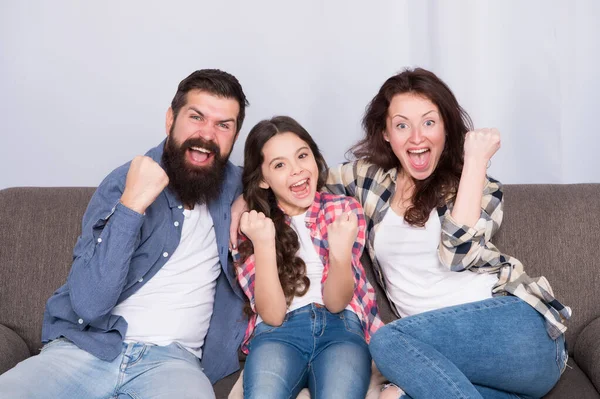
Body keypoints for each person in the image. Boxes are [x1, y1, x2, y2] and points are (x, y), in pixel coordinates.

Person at [0, 69, 249, 399]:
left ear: (234, 136)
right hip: (86, 347)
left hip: (173, 365)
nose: (206, 134)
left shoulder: (236, 184)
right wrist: (133, 205)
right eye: (196, 117)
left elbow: (306, 174)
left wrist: (252, 192)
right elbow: (89, 303)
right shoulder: (123, 181)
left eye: (223, 125)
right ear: (170, 119)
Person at [325, 68, 571, 399]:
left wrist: (475, 161)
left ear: (446, 127)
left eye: (429, 122)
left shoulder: (477, 186)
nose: (416, 138)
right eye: (402, 125)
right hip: (449, 363)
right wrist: (245, 195)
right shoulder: (367, 180)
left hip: (520, 334)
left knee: (386, 341)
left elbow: (458, 257)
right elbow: (301, 179)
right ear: (385, 133)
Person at [232, 116, 383, 399]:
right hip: (278, 332)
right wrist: (264, 244)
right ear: (263, 179)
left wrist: (339, 255)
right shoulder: (252, 226)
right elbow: (273, 315)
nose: (297, 170)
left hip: (342, 328)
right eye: (279, 165)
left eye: (302, 155)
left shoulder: (343, 208)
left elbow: (338, 303)